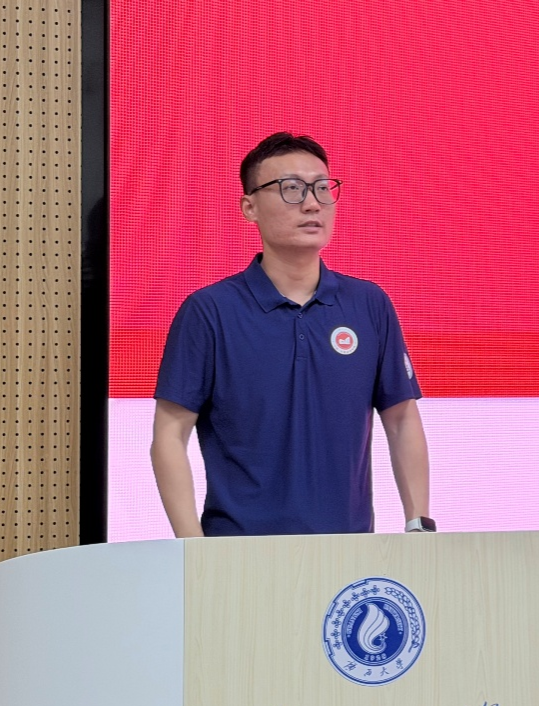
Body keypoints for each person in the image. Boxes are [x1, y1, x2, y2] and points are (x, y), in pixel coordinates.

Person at [150, 132, 434, 537]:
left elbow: (402, 419)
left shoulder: (369, 304)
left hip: (350, 550)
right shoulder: (210, 311)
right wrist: (193, 548)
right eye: (291, 189)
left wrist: (418, 525)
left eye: (322, 188)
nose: (312, 203)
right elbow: (169, 433)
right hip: (238, 551)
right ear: (249, 207)